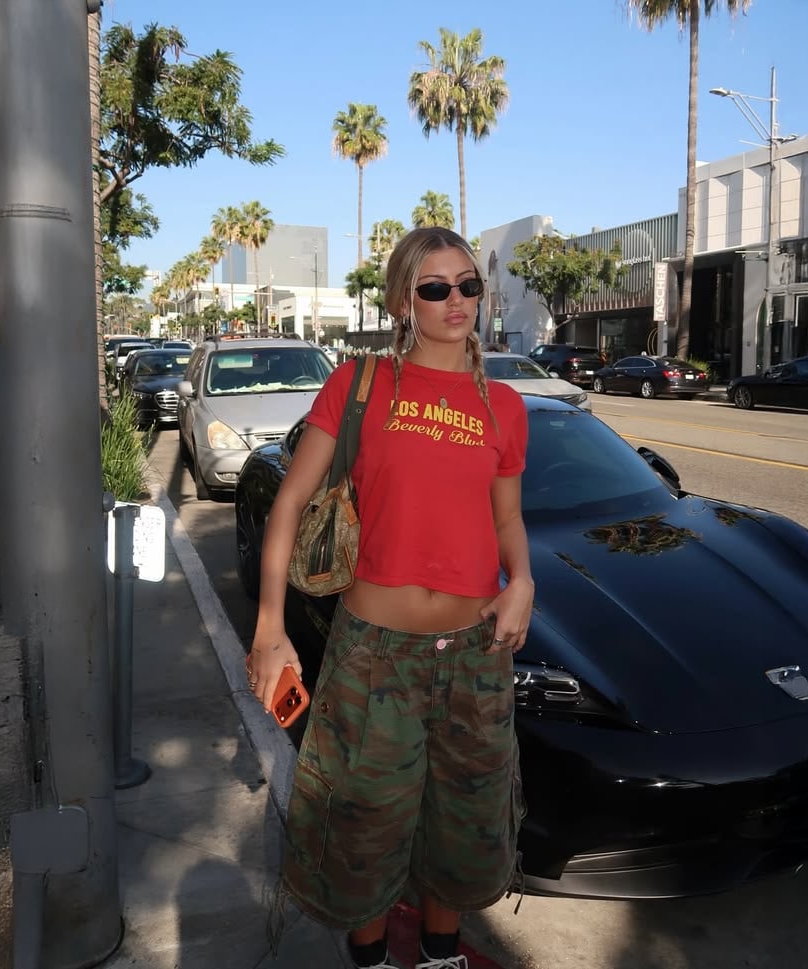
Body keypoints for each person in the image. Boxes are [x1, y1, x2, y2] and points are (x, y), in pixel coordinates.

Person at [247, 227, 534, 969]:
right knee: (363, 824)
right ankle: (370, 958)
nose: (457, 301)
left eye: (468, 284)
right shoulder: (361, 384)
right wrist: (270, 627)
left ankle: (441, 952)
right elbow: (289, 503)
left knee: (461, 821)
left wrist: (523, 580)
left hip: (475, 655)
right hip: (374, 655)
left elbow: (506, 516)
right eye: (436, 288)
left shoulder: (503, 404)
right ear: (404, 301)